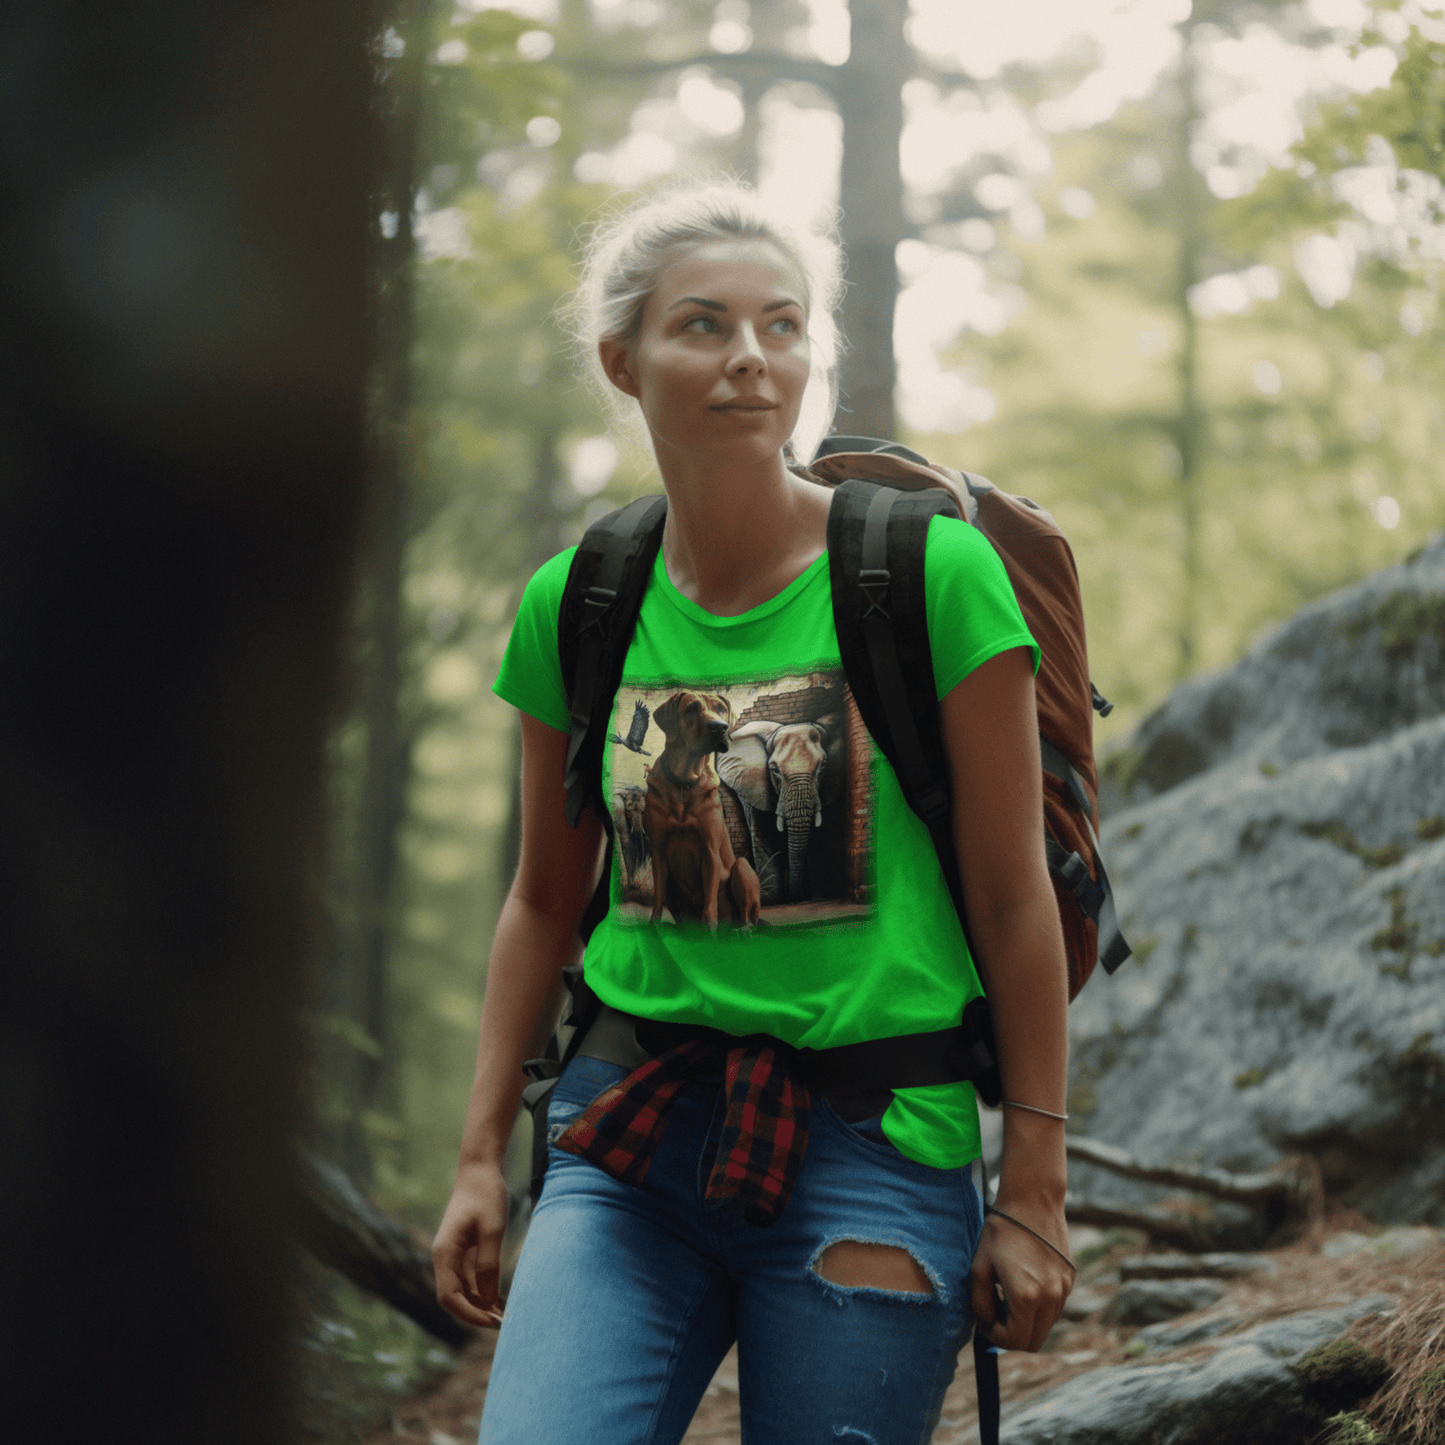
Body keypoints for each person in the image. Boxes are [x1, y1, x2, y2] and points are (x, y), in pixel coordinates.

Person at [433, 182, 1073, 1445]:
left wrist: (1036, 1188)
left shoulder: (929, 576)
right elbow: (542, 899)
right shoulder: (578, 600)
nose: (749, 357)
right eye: (702, 324)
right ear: (621, 361)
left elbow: (1013, 899)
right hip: (628, 1134)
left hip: (875, 1141)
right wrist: (475, 1157)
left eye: (780, 325)